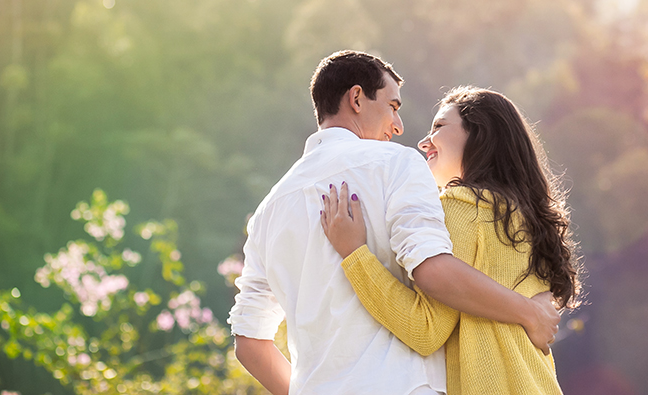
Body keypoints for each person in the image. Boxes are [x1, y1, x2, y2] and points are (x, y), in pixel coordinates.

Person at [228, 52, 560, 395]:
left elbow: (249, 342)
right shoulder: (397, 164)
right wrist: (529, 313)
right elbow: (432, 271)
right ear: (357, 98)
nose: (399, 126)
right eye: (393, 106)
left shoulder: (269, 211)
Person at [321, 86, 580, 395]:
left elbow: (425, 329)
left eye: (440, 127)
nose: (423, 141)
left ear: (479, 135)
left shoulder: (462, 205)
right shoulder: (527, 217)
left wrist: (355, 254)